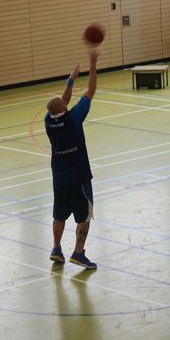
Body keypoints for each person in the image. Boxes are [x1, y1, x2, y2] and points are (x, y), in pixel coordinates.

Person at [45, 51, 99, 270]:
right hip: (79, 178)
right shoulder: (75, 118)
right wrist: (92, 66)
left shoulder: (49, 122)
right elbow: (90, 91)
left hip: (59, 179)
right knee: (84, 217)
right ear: (64, 109)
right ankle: (78, 252)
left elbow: (62, 101)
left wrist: (71, 79)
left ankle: (56, 248)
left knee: (59, 215)